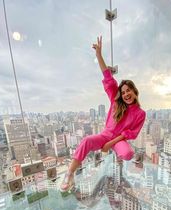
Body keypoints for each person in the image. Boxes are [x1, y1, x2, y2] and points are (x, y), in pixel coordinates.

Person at [60, 36, 146, 191]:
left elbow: (130, 134)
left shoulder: (140, 113)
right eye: (124, 91)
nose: (126, 94)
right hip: (106, 134)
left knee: (127, 153)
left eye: (129, 91)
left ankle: (116, 158)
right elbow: (108, 77)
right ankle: (69, 173)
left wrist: (110, 145)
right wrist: (99, 55)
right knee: (86, 141)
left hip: (118, 140)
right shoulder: (115, 100)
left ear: (135, 91)